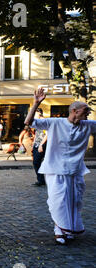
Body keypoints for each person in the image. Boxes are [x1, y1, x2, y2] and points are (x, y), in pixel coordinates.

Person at [25, 88, 96, 245]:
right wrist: (36, 103)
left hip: (76, 170)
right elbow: (28, 123)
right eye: (85, 111)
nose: (88, 114)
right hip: (55, 169)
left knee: (75, 200)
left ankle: (68, 229)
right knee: (58, 200)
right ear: (74, 111)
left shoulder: (88, 125)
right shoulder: (55, 123)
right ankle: (59, 230)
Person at [31, 109, 47, 186]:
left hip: (42, 144)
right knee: (36, 162)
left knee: (37, 162)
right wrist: (33, 144)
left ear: (39, 113)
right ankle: (41, 180)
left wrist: (41, 145)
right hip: (37, 144)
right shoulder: (37, 122)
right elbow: (37, 134)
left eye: (34, 114)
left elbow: (47, 134)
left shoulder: (44, 122)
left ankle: (41, 180)